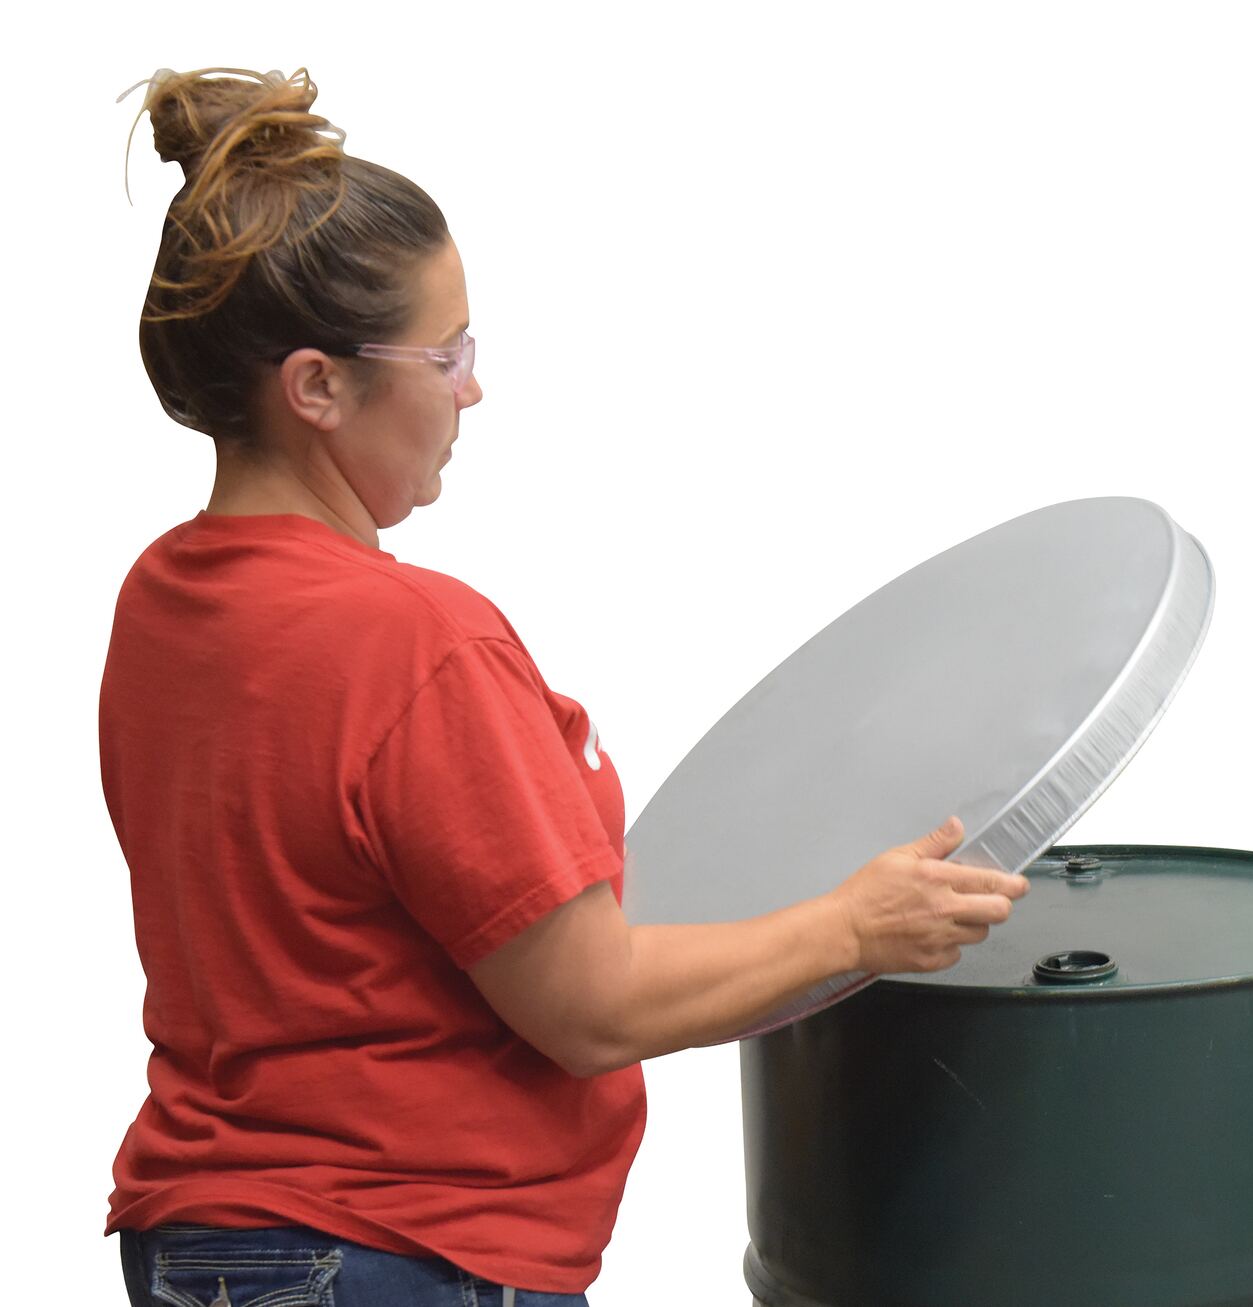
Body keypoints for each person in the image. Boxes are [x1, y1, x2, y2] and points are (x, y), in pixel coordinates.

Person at [102, 66, 1030, 1307]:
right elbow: (589, 1008)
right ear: (316, 385)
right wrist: (856, 926)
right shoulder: (414, 641)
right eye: (445, 354)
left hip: (203, 1242)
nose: (471, 388)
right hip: (394, 1248)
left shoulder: (164, 602)